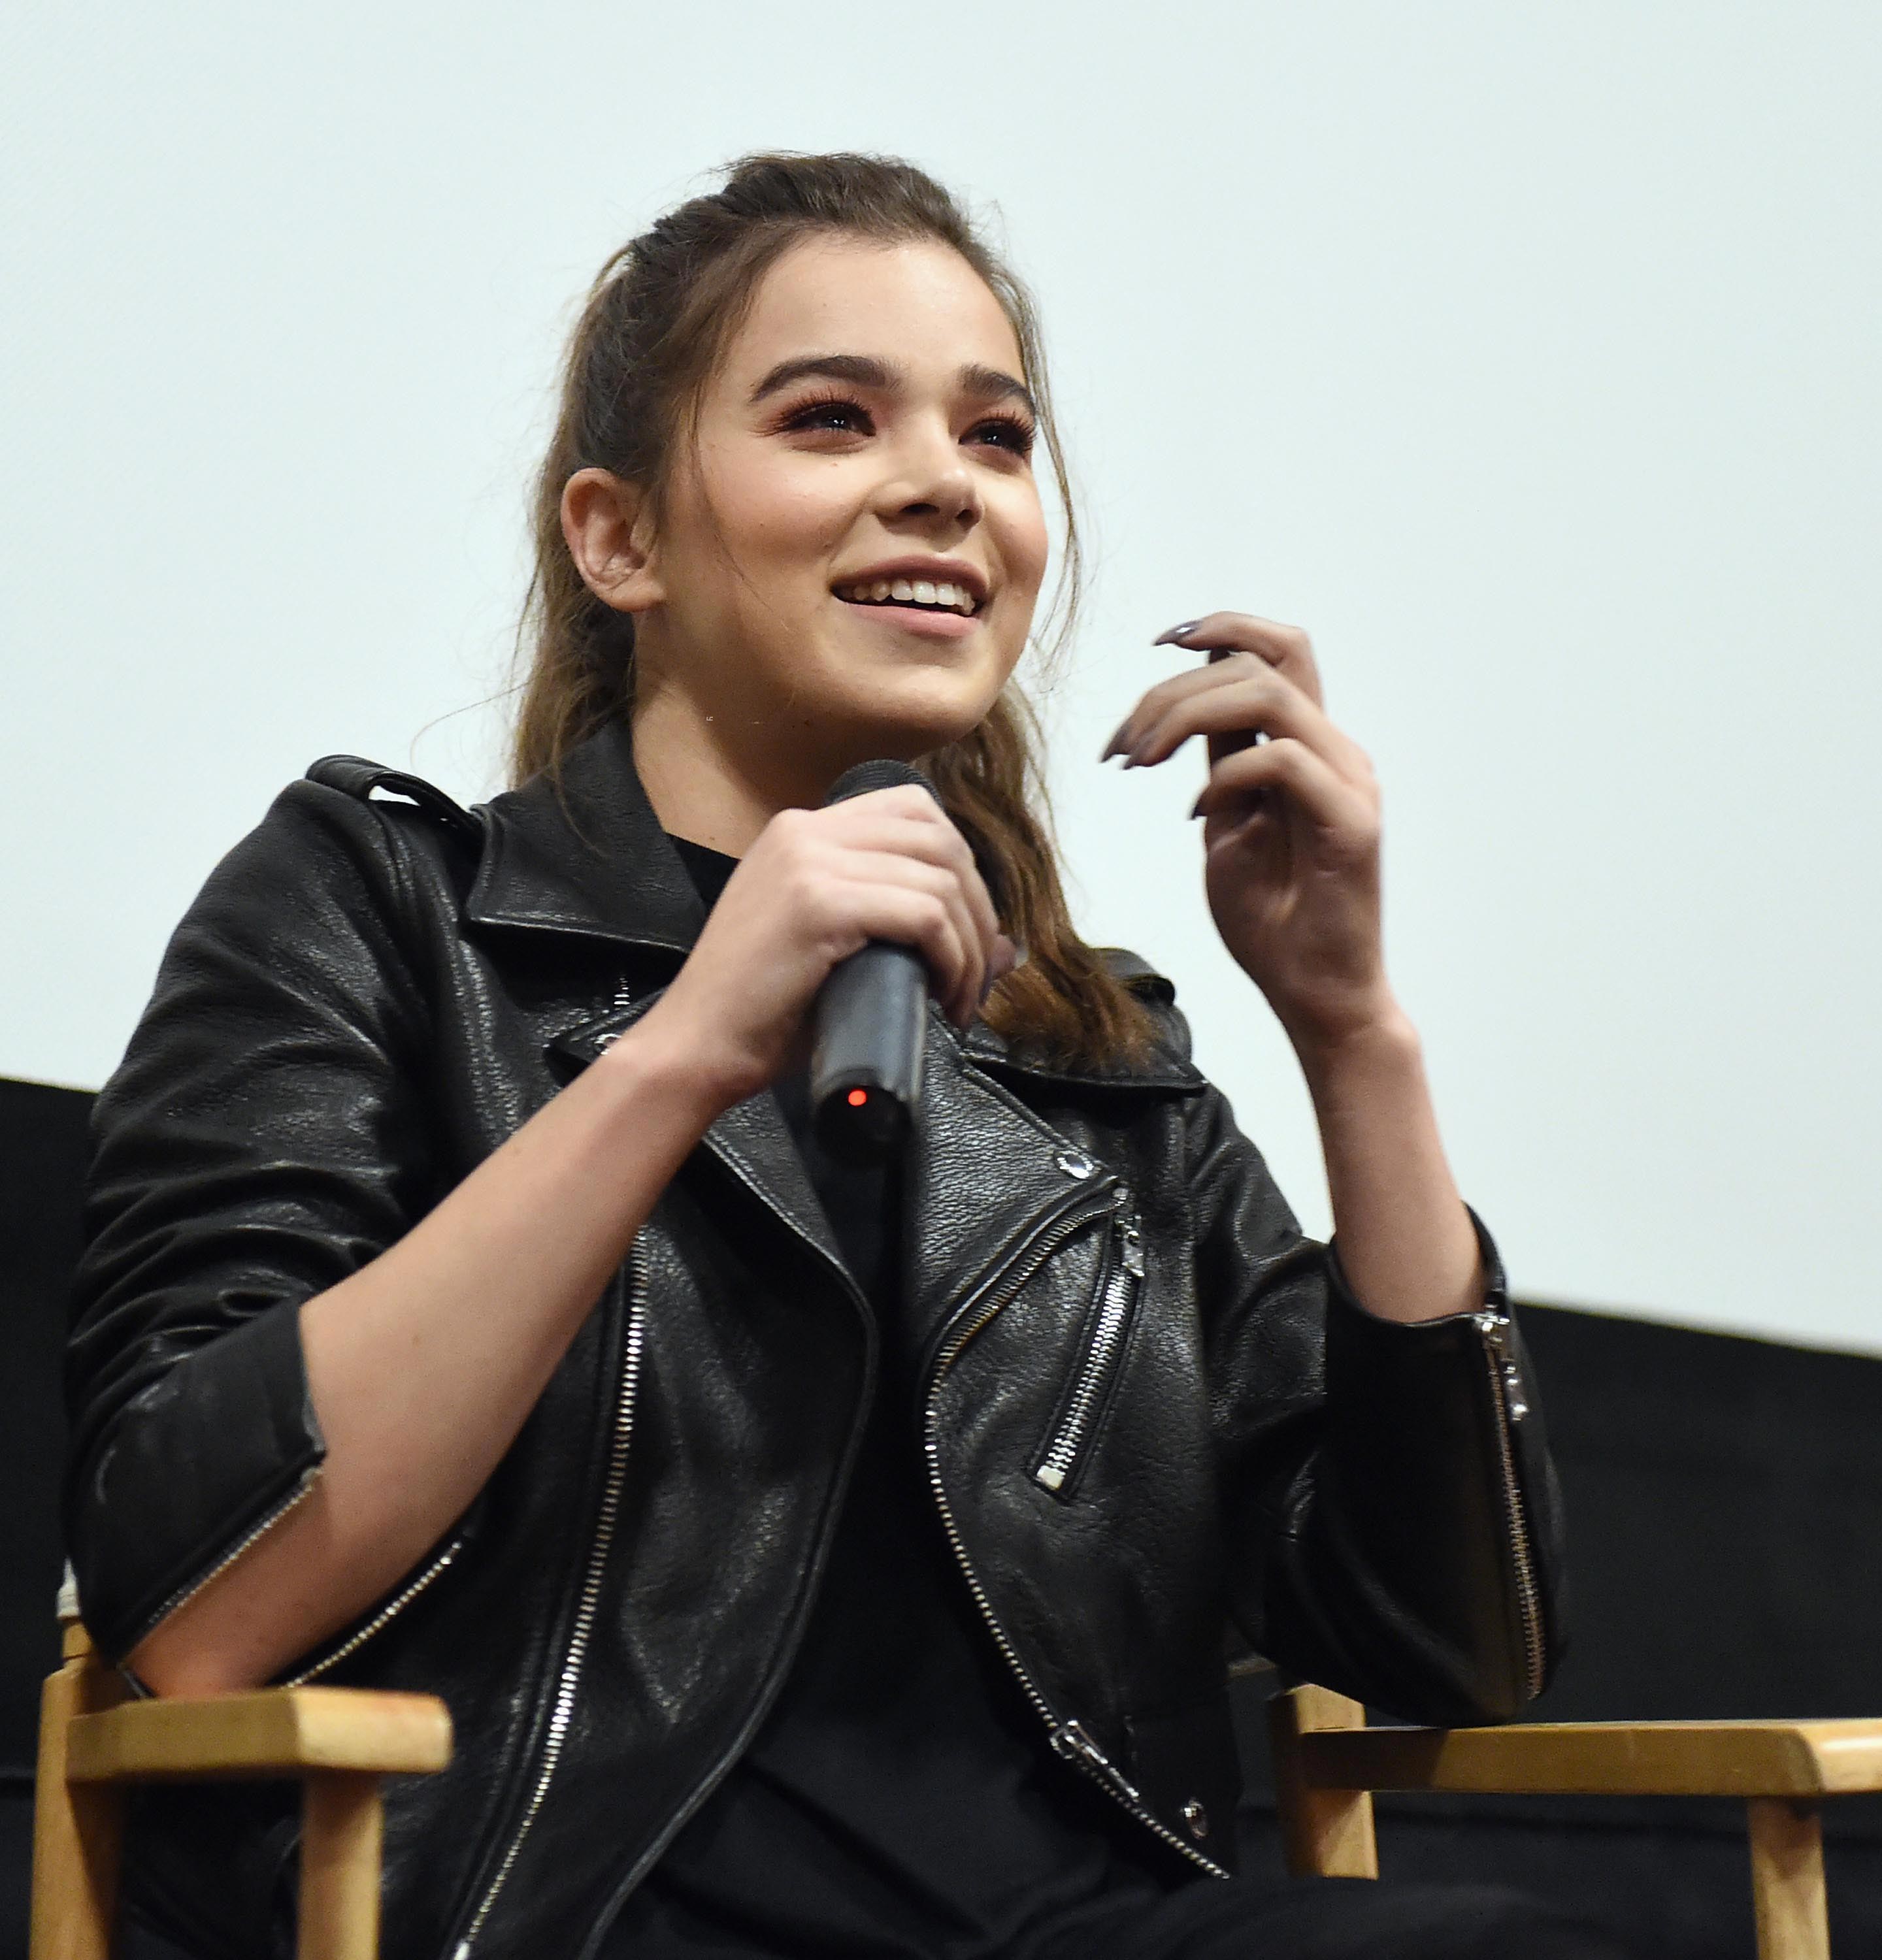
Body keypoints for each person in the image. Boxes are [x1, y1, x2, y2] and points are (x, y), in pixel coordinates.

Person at [67, 153, 1621, 1960]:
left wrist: (1356, 1035)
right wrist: (681, 1054)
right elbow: (190, 1599)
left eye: (994, 437)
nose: (939, 491)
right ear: (618, 537)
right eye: (830, 420)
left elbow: (1453, 1640)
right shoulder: (383, 913)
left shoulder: (1095, 1067)